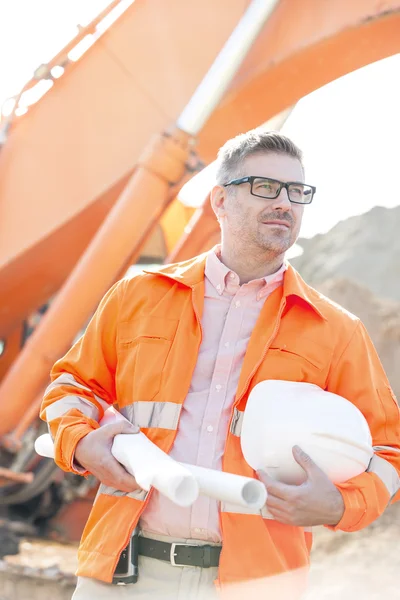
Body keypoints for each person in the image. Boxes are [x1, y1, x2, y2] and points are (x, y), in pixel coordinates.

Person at [40, 130, 400, 600]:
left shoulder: (337, 329)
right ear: (220, 201)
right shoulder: (138, 297)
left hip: (257, 585)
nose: (285, 203)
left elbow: (387, 452)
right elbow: (71, 386)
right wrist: (82, 443)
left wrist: (338, 504)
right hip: (123, 572)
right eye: (266, 187)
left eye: (297, 192)